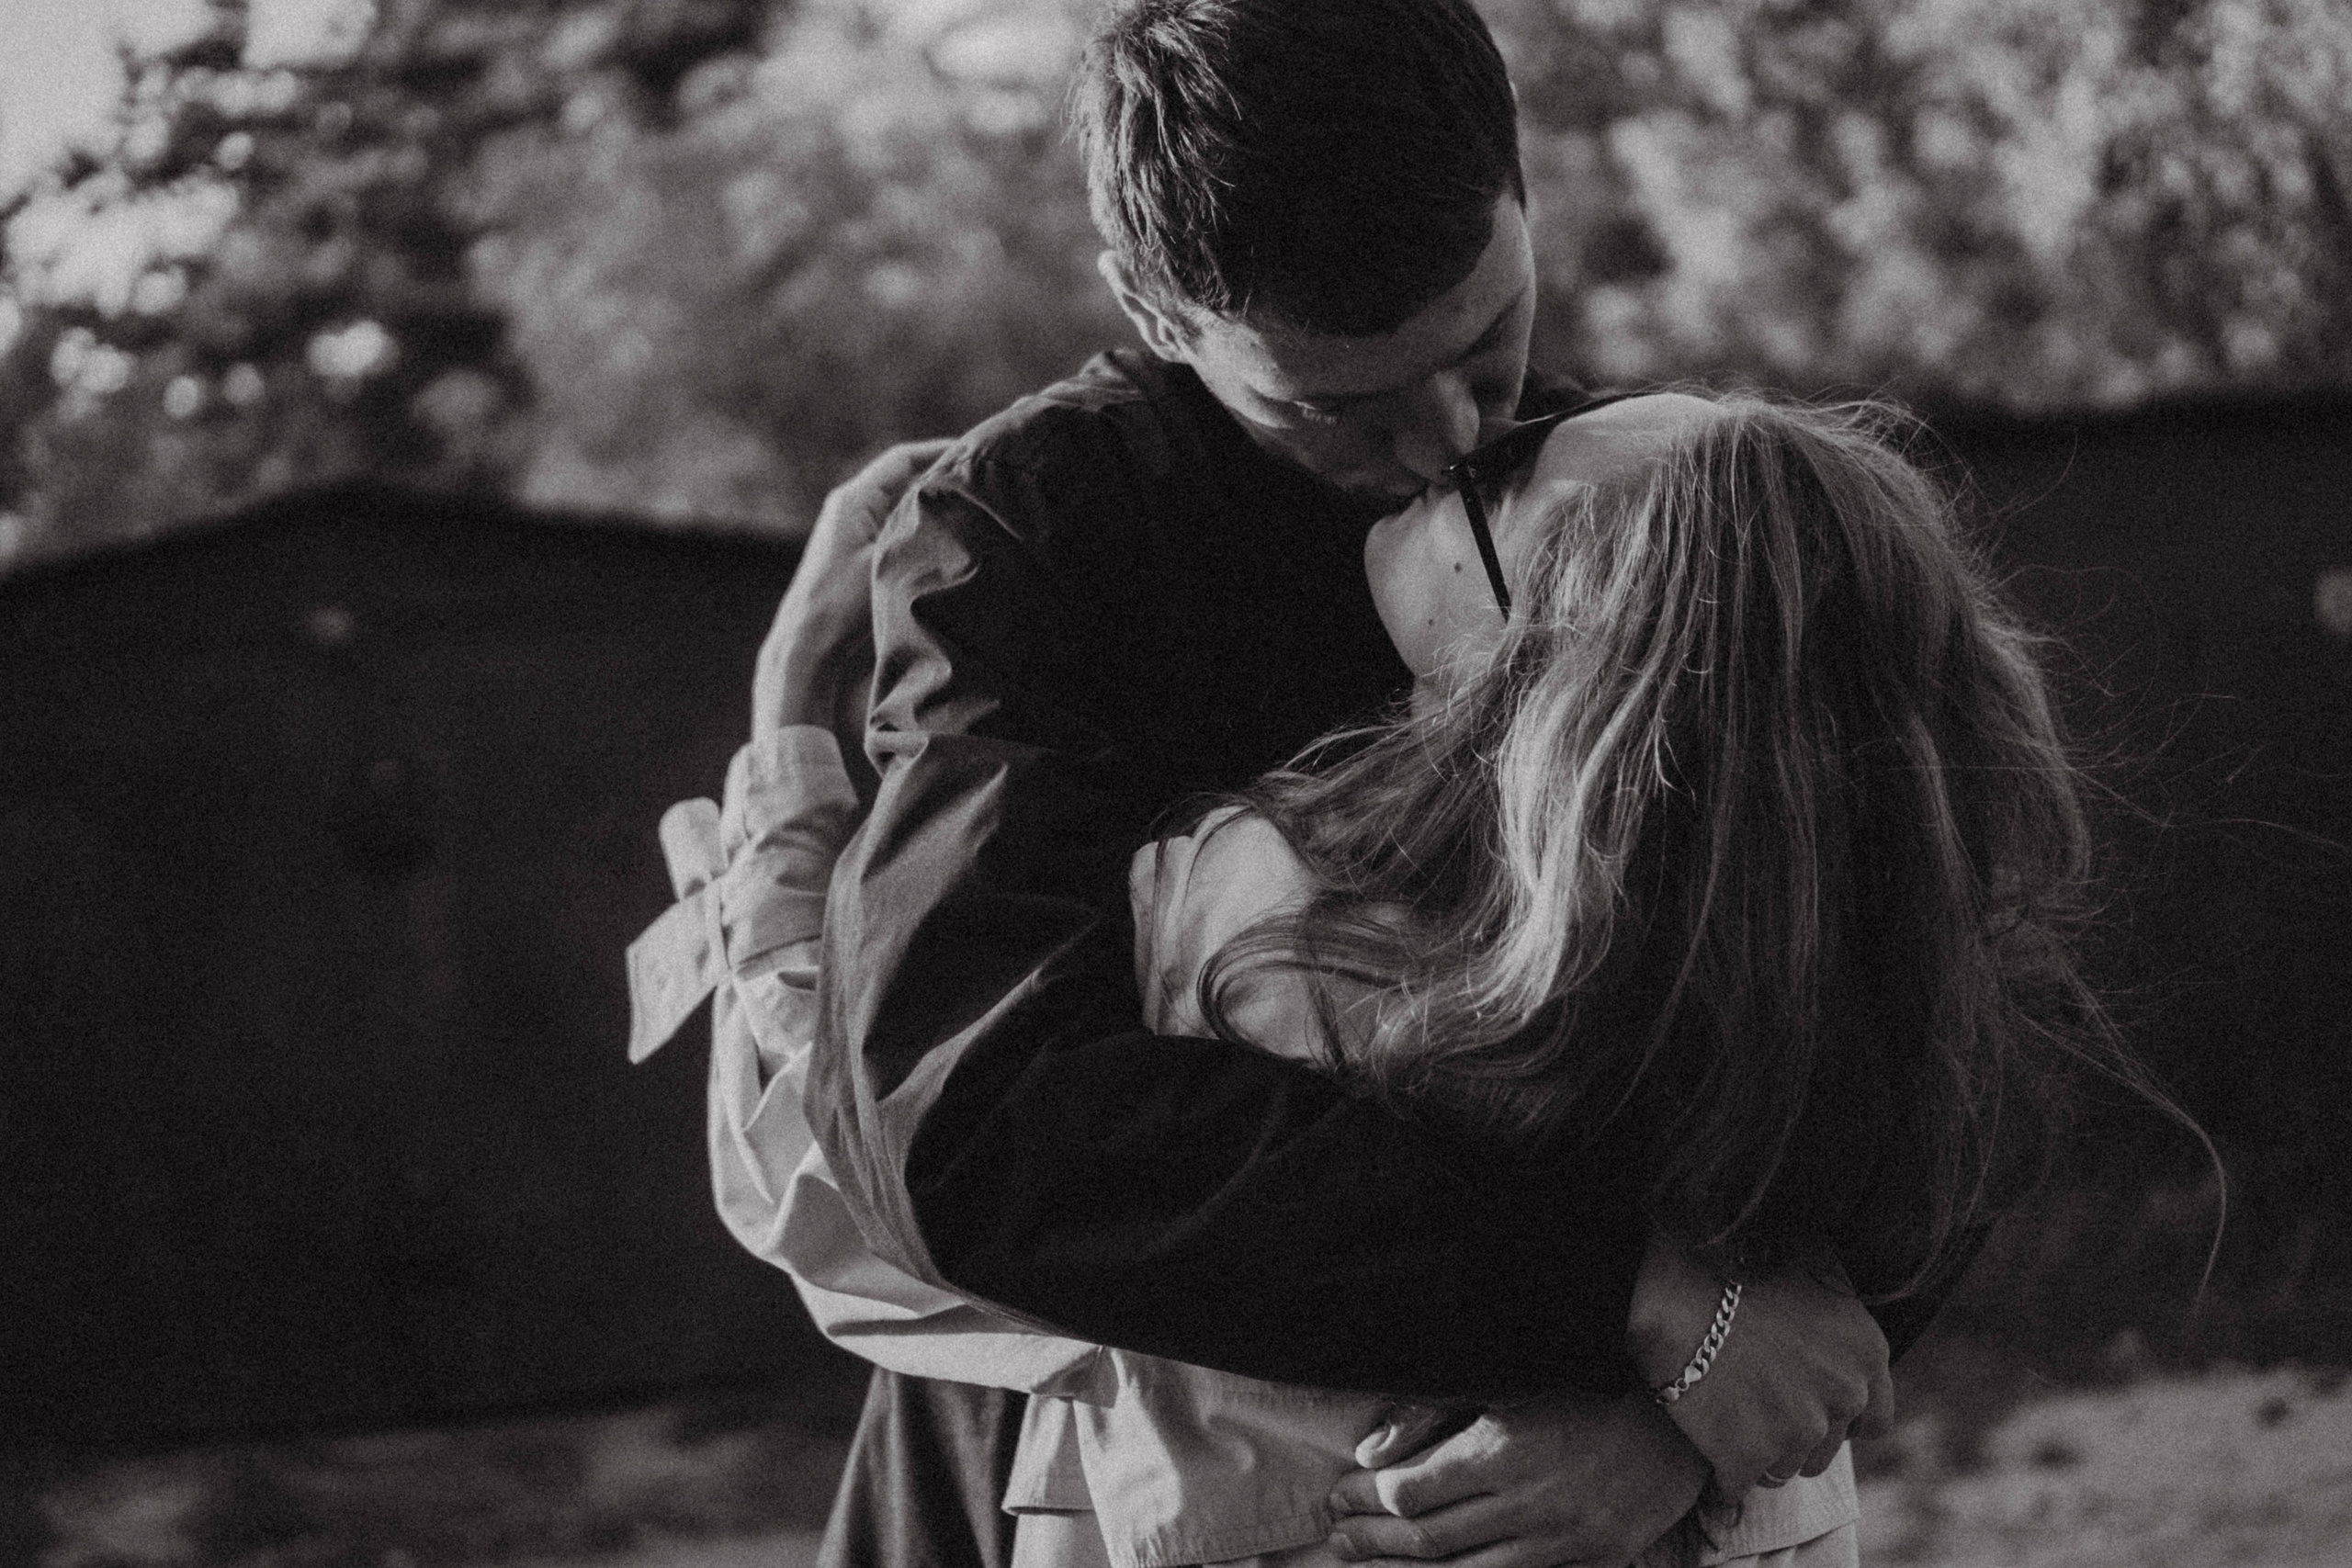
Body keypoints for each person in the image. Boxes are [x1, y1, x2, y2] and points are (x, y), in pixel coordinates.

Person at [628, 4, 1916, 1563]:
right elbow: (980, 1125)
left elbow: (1905, 1015)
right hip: (1063, 1462)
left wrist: (1676, 1423)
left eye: (1485, 339)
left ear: (1524, 197)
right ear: (1155, 312)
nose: (1448, 441)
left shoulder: (1627, 505)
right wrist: (1615, 1299)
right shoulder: (1035, 540)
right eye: (1333, 405)